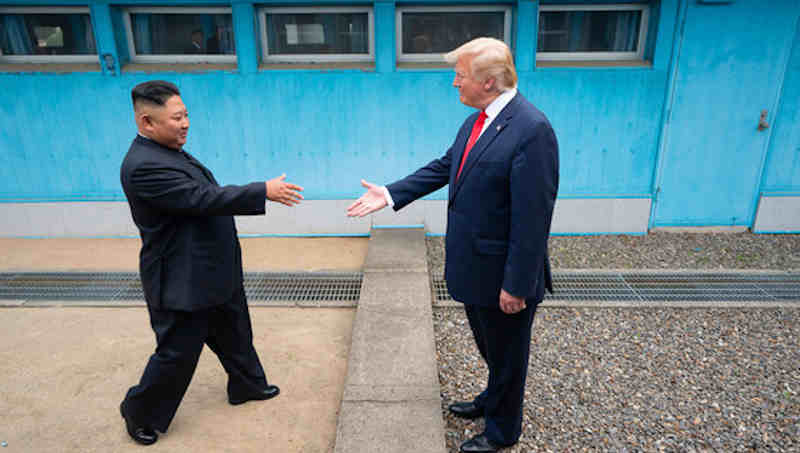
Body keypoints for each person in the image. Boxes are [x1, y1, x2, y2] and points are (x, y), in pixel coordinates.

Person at [347, 37, 559, 453]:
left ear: (490, 82)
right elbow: (448, 165)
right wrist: (390, 194)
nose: (454, 83)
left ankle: (502, 431)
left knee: (508, 355)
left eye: (460, 76)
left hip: (503, 273)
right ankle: (491, 399)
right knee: (491, 347)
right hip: (476, 267)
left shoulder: (532, 131)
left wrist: (517, 284)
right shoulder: (479, 118)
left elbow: (534, 219)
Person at [119, 80, 304, 445]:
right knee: (176, 354)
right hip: (181, 278)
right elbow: (200, 197)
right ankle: (139, 411)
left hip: (212, 267)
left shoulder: (169, 149)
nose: (185, 123)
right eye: (176, 118)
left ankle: (247, 385)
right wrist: (260, 191)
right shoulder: (144, 166)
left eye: (186, 114)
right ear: (146, 123)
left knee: (234, 332)